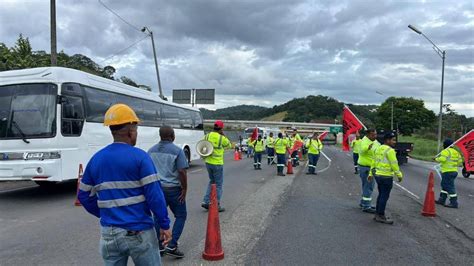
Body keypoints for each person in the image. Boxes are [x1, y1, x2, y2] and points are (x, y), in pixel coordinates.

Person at [78, 104, 171, 266]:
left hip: (109, 234)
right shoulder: (141, 158)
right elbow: (154, 195)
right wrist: (164, 224)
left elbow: (84, 196)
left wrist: (106, 213)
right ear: (131, 131)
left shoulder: (96, 159)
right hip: (139, 231)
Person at [148, 126, 189, 258]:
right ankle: (172, 245)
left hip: (156, 189)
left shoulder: (151, 151)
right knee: (181, 215)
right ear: (172, 135)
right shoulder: (177, 151)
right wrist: (184, 188)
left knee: (158, 216)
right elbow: (182, 171)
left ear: (160, 135)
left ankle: (159, 246)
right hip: (173, 190)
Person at [369, 132, 403, 224]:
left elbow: (374, 161)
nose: (394, 142)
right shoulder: (390, 151)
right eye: (393, 140)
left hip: (378, 175)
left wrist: (371, 174)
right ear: (387, 140)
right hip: (386, 176)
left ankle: (377, 214)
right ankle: (381, 215)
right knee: (384, 196)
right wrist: (399, 175)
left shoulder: (378, 148)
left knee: (381, 195)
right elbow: (394, 164)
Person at [201, 120, 231, 212]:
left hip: (208, 163)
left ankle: (206, 201)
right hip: (217, 163)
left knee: (211, 182)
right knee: (218, 185)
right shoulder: (221, 138)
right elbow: (229, 145)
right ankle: (216, 204)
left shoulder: (207, 136)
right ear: (221, 128)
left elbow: (202, 146)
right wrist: (223, 135)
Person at [435, 139, 463, 208]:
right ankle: (442, 199)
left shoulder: (445, 151)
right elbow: (460, 161)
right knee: (445, 185)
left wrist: (436, 159)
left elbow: (442, 159)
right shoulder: (456, 152)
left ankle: (454, 202)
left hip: (447, 171)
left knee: (449, 186)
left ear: (445, 144)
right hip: (454, 171)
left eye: (443, 144)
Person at [357, 129, 380, 213]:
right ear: (368, 135)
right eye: (373, 135)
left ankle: (364, 203)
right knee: (369, 186)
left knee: (366, 186)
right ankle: (366, 206)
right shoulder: (364, 141)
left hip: (371, 167)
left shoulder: (375, 141)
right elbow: (362, 151)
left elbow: (379, 149)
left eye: (375, 134)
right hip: (366, 167)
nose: (375, 136)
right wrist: (368, 147)